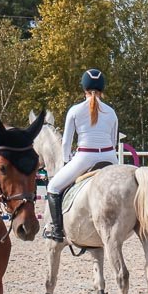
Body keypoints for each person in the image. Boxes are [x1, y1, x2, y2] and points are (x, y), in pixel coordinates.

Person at [42, 69, 120, 241]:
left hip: (85, 158)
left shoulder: (75, 110)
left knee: (53, 188)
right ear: (102, 89)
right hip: (110, 158)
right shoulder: (111, 112)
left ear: (84, 89)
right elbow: (113, 142)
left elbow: (66, 143)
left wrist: (66, 161)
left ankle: (57, 230)